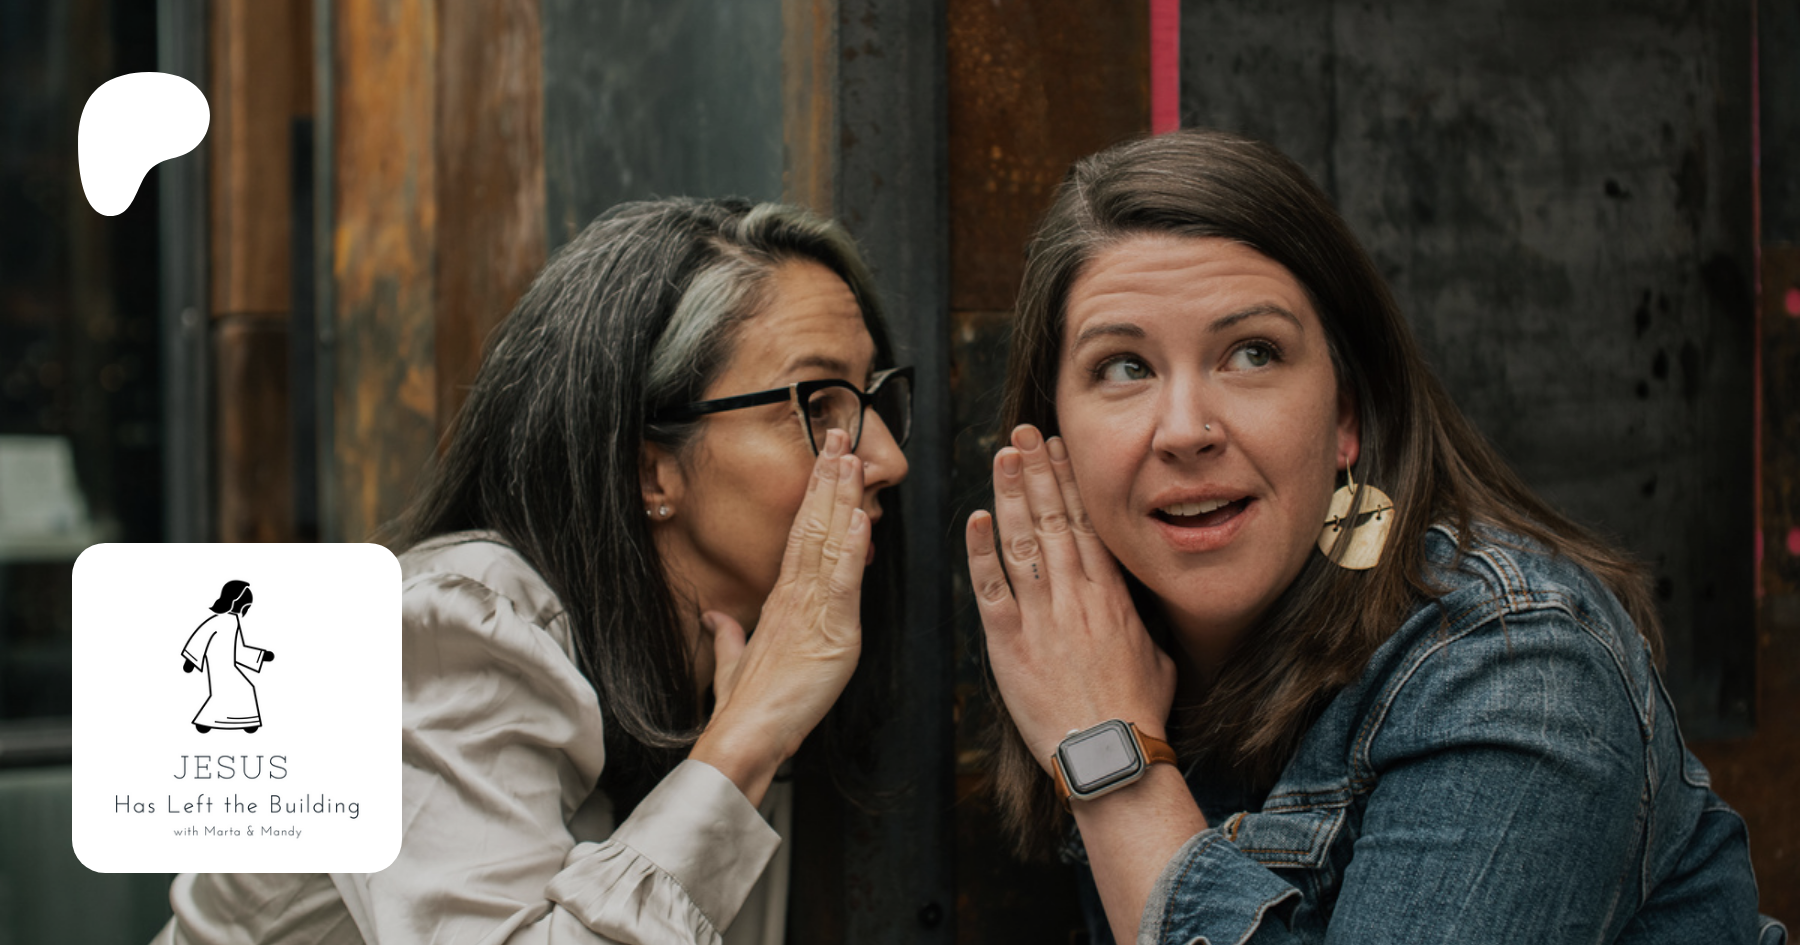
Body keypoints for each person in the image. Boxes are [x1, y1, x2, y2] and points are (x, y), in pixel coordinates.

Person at [965, 129, 1785, 944]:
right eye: (1124, 367)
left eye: (1252, 353)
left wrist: (1113, 759)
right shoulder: (1098, 651)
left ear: (1346, 416)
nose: (1185, 429)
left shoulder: (1516, 663)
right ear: (1053, 438)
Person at [154, 197, 912, 944]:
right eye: (819, 406)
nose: (886, 458)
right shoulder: (449, 634)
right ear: (649, 470)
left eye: (874, 399)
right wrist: (744, 744)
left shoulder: (741, 668)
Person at [180, 579, 274, 734]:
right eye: (246, 606)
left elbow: (238, 650)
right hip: (219, 666)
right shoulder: (216, 621)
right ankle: (210, 721)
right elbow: (200, 638)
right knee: (236, 690)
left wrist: (261, 656)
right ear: (236, 602)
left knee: (241, 689)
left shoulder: (233, 621)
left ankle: (241, 721)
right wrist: (190, 660)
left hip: (229, 665)